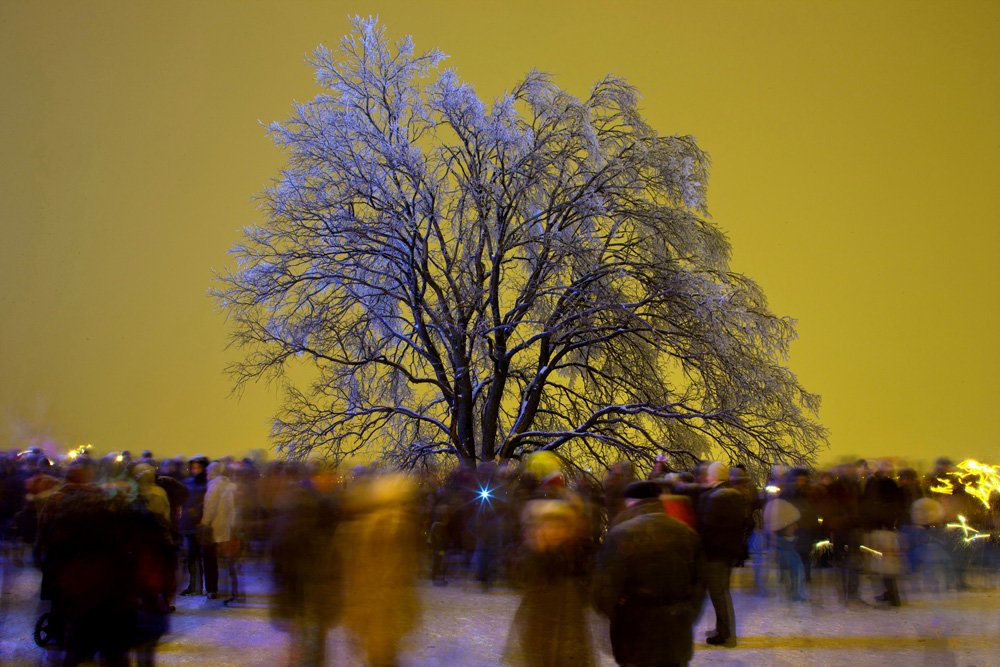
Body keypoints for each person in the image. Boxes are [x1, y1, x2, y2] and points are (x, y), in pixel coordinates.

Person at [593, 480, 705, 667]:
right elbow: (699, 583)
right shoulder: (686, 533)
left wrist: (619, 618)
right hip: (676, 631)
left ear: (631, 502)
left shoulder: (621, 534)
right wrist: (685, 614)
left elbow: (604, 592)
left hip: (635, 632)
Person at [695, 461, 746, 647]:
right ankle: (723, 629)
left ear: (714, 476)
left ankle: (725, 634)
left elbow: (708, 527)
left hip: (715, 553)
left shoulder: (716, 497)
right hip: (727, 551)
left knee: (718, 593)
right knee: (722, 592)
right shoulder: (732, 495)